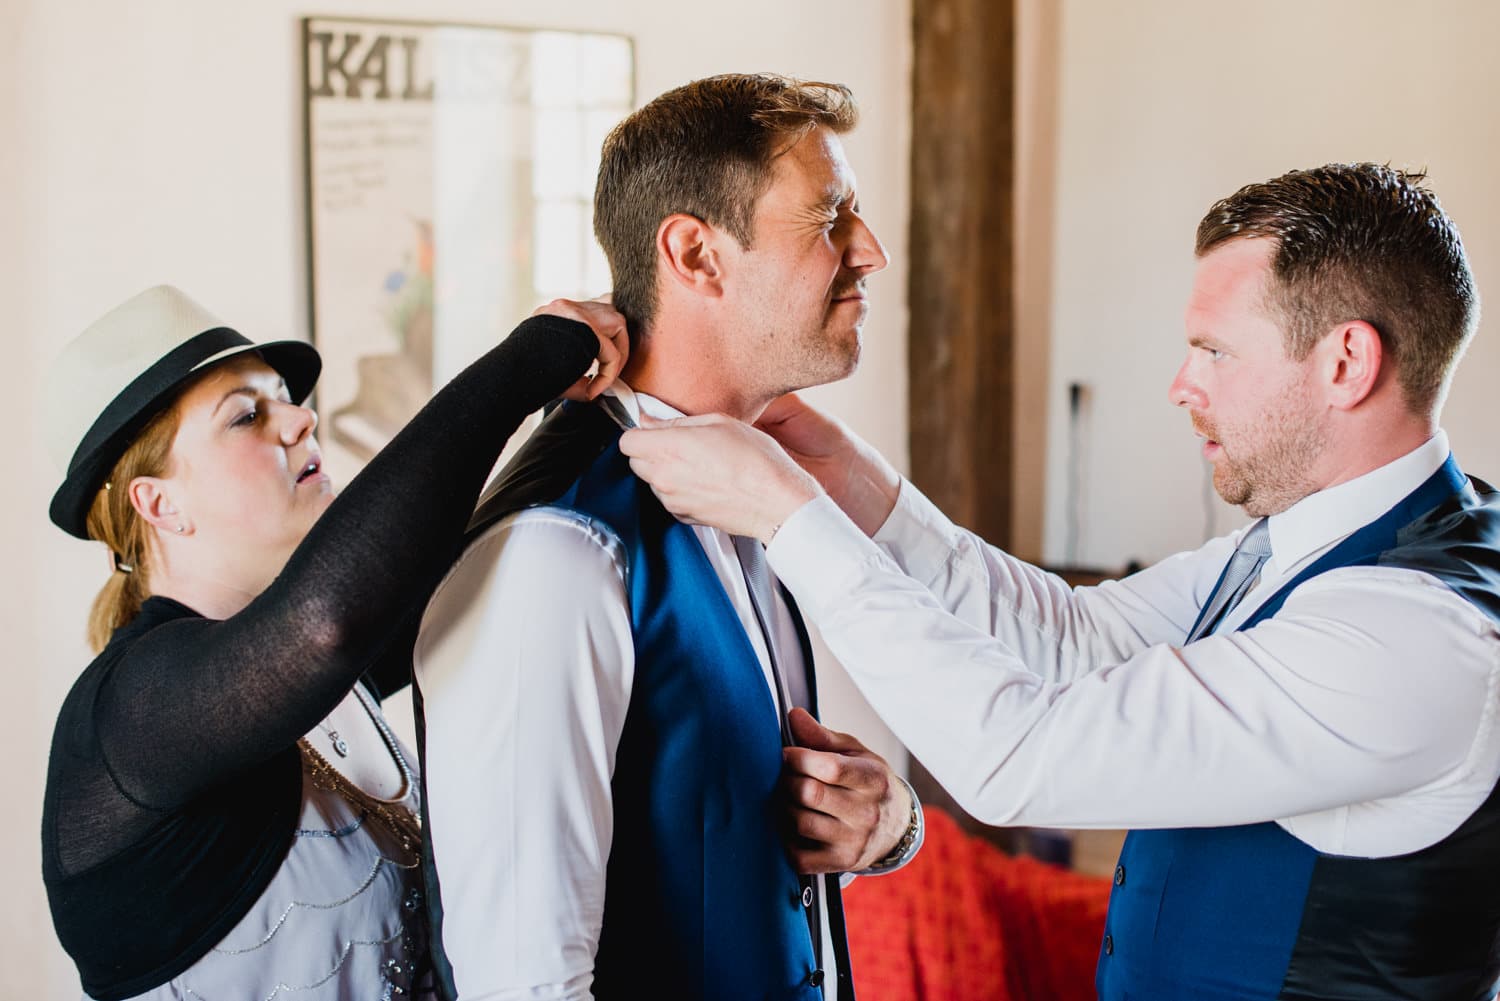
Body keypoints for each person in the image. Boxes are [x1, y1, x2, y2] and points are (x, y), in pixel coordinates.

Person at [620, 162, 1500, 999]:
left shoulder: (1412, 636)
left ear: (1347, 362)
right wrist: (852, 482)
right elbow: (1071, 637)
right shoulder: (1320, 534)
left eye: (1215, 351)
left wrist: (787, 515)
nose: (1180, 385)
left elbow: (1020, 756)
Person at [414, 74, 923, 1001]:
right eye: (829, 217)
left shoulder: (755, 488)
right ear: (695, 254)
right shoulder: (557, 550)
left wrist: (885, 828)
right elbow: (522, 978)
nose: (871, 251)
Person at [40, 284, 624, 1000]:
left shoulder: (327, 684)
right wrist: (528, 359)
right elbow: (327, 623)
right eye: (247, 415)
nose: (301, 417)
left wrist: (597, 404)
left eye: (284, 397)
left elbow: (460, 549)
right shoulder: (125, 715)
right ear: (160, 502)